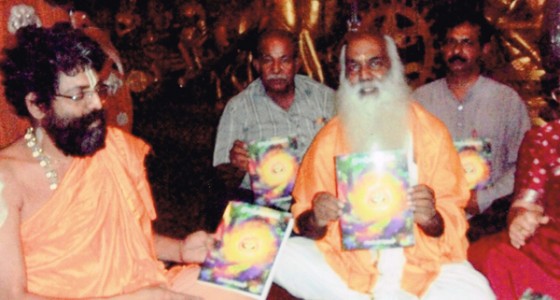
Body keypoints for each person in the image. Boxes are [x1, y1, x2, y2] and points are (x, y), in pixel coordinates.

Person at [0, 23, 249, 299]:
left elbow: (125, 241)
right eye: (78, 95)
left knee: (239, 284)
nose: (97, 105)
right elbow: (11, 296)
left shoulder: (110, 148)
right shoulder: (7, 179)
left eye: (98, 89)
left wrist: (180, 250)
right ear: (37, 105)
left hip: (140, 284)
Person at [273, 31, 494, 299]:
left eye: (375, 63)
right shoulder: (329, 137)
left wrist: (430, 217)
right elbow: (305, 221)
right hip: (349, 261)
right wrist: (318, 217)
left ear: (393, 67)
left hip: (420, 262)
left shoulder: (431, 132)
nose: (364, 75)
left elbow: (451, 219)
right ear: (345, 75)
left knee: (477, 293)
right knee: (279, 254)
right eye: (354, 66)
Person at [467, 1, 560, 297]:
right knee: (490, 254)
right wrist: (521, 218)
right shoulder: (544, 139)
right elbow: (526, 201)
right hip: (554, 250)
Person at [412, 10, 530, 219]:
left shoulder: (506, 101)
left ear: (484, 49)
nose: (457, 50)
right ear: (442, 48)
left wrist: (485, 198)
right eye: (450, 42)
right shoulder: (419, 101)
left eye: (467, 43)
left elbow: (523, 164)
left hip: (490, 218)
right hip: (434, 219)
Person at [212, 28, 335, 202]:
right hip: (264, 207)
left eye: (284, 60)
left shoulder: (324, 99)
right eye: (267, 61)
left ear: (297, 64)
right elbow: (221, 176)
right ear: (256, 65)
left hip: (318, 204)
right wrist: (235, 165)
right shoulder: (238, 108)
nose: (276, 69)